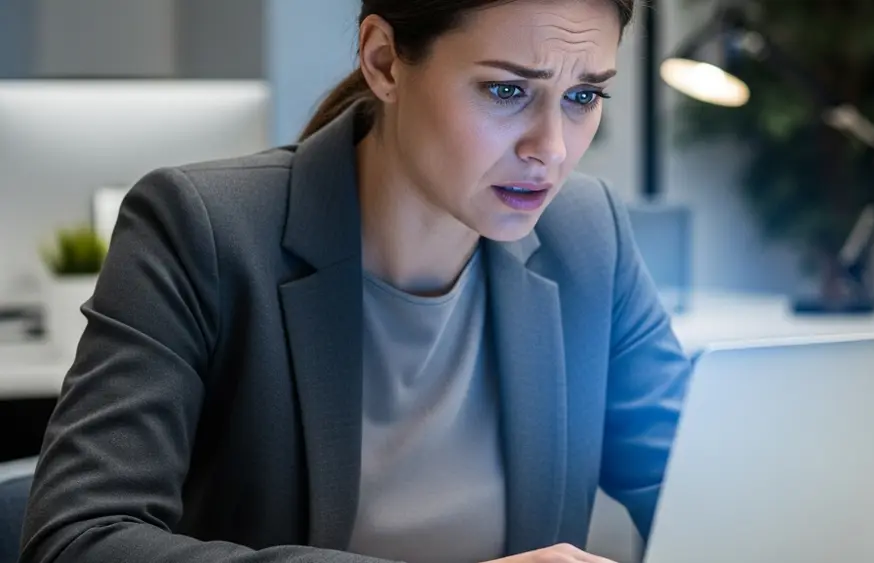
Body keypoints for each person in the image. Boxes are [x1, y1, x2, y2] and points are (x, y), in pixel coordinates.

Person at [18, 1, 693, 562]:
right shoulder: (203, 230)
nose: (550, 148)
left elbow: (700, 490)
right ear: (384, 61)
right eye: (507, 90)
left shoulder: (588, 236)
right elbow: (77, 539)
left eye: (582, 97)